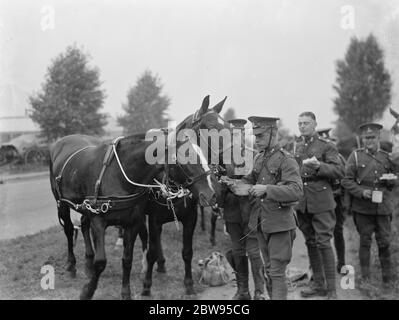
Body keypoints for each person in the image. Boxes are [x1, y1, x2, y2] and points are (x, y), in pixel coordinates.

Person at [227, 116, 303, 300]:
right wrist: (234, 183)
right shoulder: (260, 158)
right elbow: (250, 180)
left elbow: (296, 191)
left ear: (273, 134)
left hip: (280, 225)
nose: (256, 140)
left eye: (260, 136)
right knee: (270, 270)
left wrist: (267, 189)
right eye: (255, 136)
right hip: (262, 223)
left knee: (276, 272)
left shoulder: (287, 159)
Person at [294, 112, 344, 299]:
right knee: (310, 242)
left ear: (315, 124)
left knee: (323, 242)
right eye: (300, 123)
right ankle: (319, 284)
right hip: (303, 203)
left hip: (322, 201)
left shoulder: (327, 146)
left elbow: (339, 171)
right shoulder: (298, 147)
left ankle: (331, 290)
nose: (302, 126)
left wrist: (318, 166)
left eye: (306, 123)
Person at [341, 123, 397, 288]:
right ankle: (366, 279)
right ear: (362, 139)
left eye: (372, 137)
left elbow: (396, 177)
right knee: (365, 242)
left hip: (383, 208)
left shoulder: (388, 157)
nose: (369, 141)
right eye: (366, 138)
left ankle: (387, 280)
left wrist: (392, 180)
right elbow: (346, 180)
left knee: (384, 242)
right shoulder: (355, 157)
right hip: (363, 209)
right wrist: (361, 192)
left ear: (379, 138)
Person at [220, 119, 266, 300]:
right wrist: (222, 189)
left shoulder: (255, 156)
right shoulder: (222, 159)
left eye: (240, 134)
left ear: (244, 136)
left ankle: (260, 291)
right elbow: (219, 190)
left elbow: (261, 183)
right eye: (233, 134)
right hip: (232, 212)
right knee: (238, 251)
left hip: (251, 211)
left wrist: (240, 185)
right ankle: (242, 291)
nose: (236, 138)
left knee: (254, 252)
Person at [317, 128, 347, 274]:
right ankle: (320, 266)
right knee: (321, 233)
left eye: (331, 141)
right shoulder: (318, 159)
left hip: (337, 200)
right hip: (322, 200)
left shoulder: (340, 159)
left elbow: (345, 178)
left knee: (338, 231)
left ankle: (341, 263)